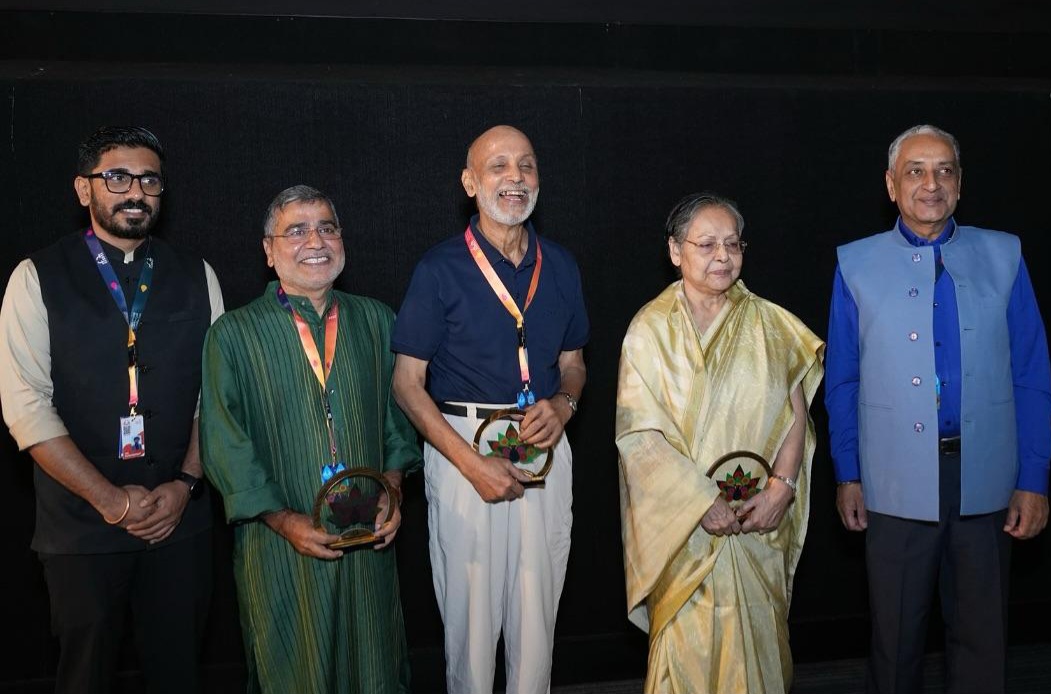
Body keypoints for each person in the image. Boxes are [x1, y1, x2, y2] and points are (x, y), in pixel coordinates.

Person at [825, 124, 1051, 694]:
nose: (931, 184)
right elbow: (843, 379)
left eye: (944, 170)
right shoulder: (854, 264)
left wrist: (1033, 476)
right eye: (915, 171)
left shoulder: (1005, 254)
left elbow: (1031, 375)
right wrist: (848, 472)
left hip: (984, 478)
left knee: (982, 642)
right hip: (893, 482)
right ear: (890, 184)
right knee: (895, 640)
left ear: (960, 183)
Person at [0, 125, 223, 693]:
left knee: (178, 674)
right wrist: (111, 500)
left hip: (180, 521)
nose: (135, 191)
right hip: (81, 529)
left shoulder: (199, 275)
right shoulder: (34, 278)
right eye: (117, 177)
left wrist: (185, 483)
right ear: (84, 189)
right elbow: (25, 406)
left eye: (149, 180)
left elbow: (218, 396)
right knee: (85, 678)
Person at [199, 184, 420, 694]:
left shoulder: (377, 320)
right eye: (295, 230)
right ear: (268, 249)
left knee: (376, 665)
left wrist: (391, 490)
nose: (314, 240)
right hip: (279, 547)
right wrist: (285, 520)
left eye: (326, 227)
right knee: (293, 669)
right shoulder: (232, 335)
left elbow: (397, 423)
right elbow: (224, 442)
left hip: (370, 542)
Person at [391, 124, 589, 694]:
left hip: (544, 445)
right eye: (498, 166)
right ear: (470, 182)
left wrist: (564, 404)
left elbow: (574, 364)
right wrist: (470, 464)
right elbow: (407, 385)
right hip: (462, 448)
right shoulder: (439, 268)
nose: (515, 178)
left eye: (526, 166)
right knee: (471, 624)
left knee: (538, 616)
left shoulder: (564, 266)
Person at [616, 192, 824, 694]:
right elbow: (639, 436)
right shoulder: (649, 330)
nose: (722, 256)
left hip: (757, 521)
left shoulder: (771, 324)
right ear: (675, 251)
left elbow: (795, 415)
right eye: (706, 243)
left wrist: (782, 487)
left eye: (732, 243)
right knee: (687, 656)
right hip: (683, 529)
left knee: (759, 652)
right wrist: (699, 501)